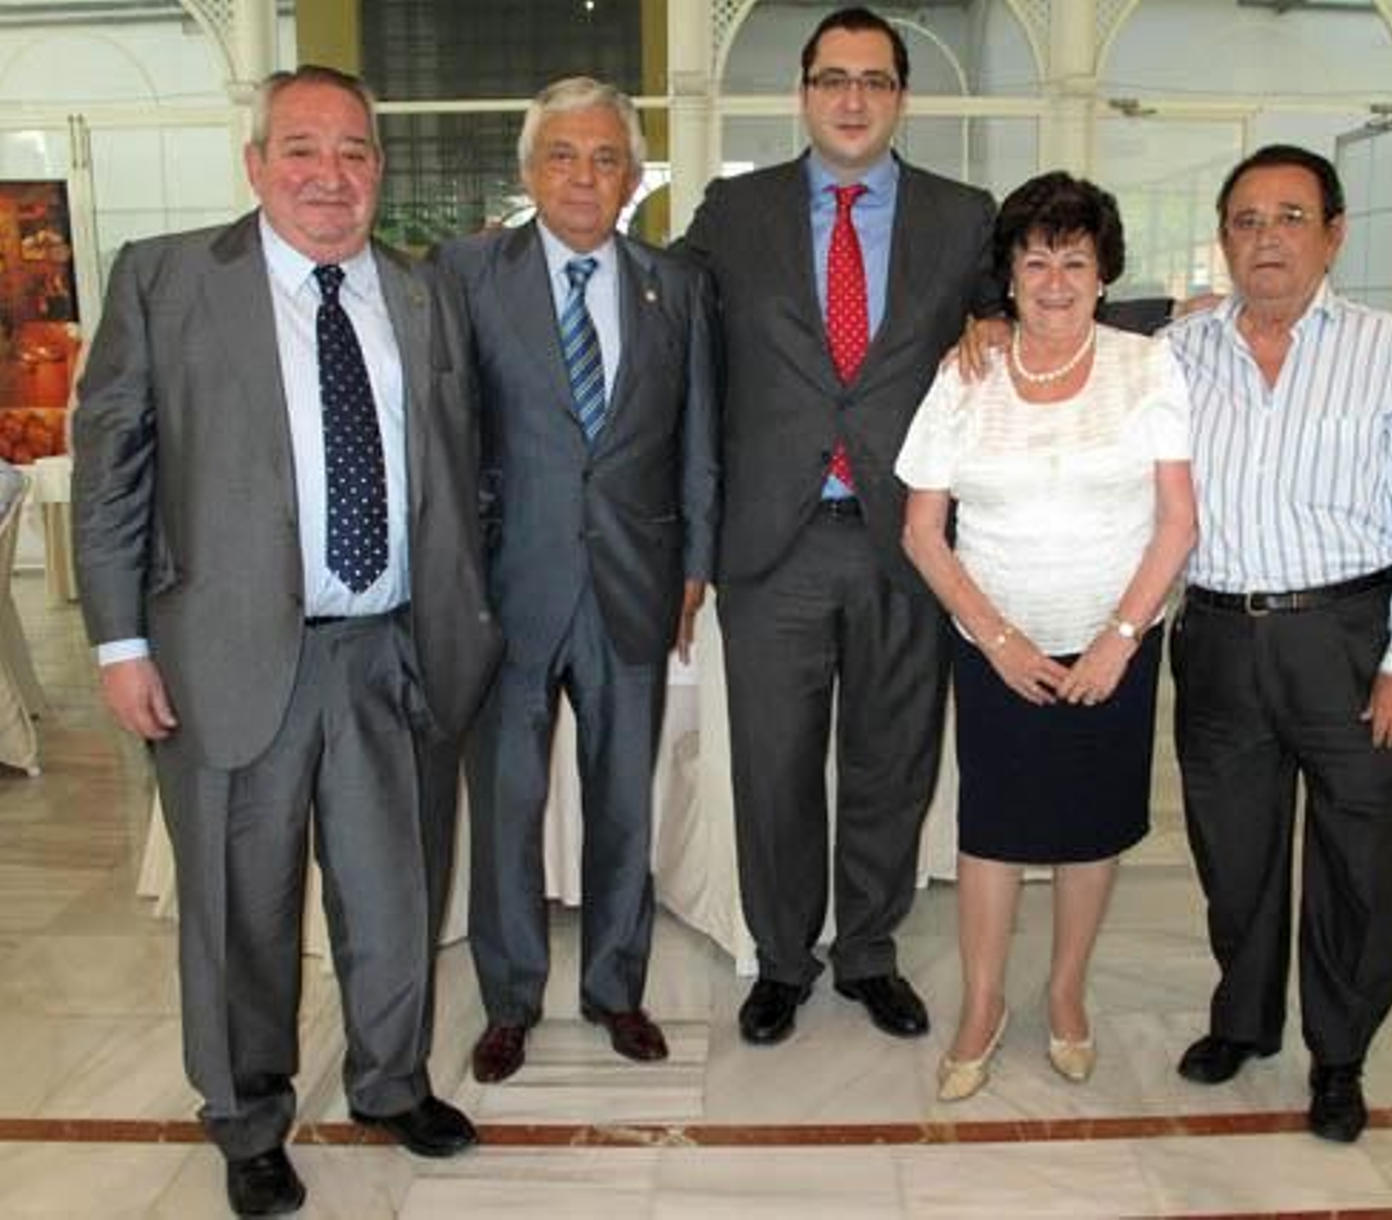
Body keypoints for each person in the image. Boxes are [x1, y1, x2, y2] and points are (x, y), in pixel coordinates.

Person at [70, 66, 503, 1217]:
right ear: (255, 163)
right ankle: (248, 1115)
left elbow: (465, 467)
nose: (330, 175)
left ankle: (389, 1078)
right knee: (239, 909)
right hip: (226, 658)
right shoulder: (165, 281)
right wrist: (118, 640)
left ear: (379, 169)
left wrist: (462, 616)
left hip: (391, 653)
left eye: (355, 152)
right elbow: (111, 472)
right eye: (302, 149)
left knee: (396, 891)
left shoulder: (419, 294)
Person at [678, 5, 999, 1046]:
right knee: (772, 766)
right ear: (804, 94)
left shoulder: (964, 216)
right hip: (772, 541)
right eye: (830, 79)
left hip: (904, 539)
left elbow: (1035, 315)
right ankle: (781, 957)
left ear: (900, 95)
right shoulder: (735, 211)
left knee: (892, 760)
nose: (851, 98)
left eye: (872, 79)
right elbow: (662, 315)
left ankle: (866, 949)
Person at [1165, 145, 1392, 1144]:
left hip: (1350, 638)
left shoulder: (1387, 349)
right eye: (1247, 220)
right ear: (1222, 240)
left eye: (1291, 217)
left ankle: (1338, 1052)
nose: (1267, 239)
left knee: (1359, 859)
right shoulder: (1178, 351)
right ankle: (1244, 1021)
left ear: (1333, 234)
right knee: (1235, 855)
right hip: (1216, 637)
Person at [438, 77, 718, 1081]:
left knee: (623, 805)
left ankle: (615, 987)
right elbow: (446, 436)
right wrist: (455, 573)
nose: (584, 175)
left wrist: (696, 560)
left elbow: (697, 436)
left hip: (635, 584)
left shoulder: (672, 284)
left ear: (635, 177)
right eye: (564, 153)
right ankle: (509, 999)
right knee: (506, 806)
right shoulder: (466, 274)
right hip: (507, 591)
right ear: (529, 169)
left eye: (606, 157)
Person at [897, 172, 1196, 1102]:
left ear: (1103, 273)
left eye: (1076, 260)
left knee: (1088, 828)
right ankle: (982, 1005)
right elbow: (920, 529)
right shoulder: (968, 370)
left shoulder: (1147, 366)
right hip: (997, 646)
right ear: (1011, 275)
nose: (1056, 280)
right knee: (992, 830)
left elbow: (1176, 522)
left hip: (1115, 641)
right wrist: (994, 638)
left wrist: (1117, 637)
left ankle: (1066, 994)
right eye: (1037, 260)